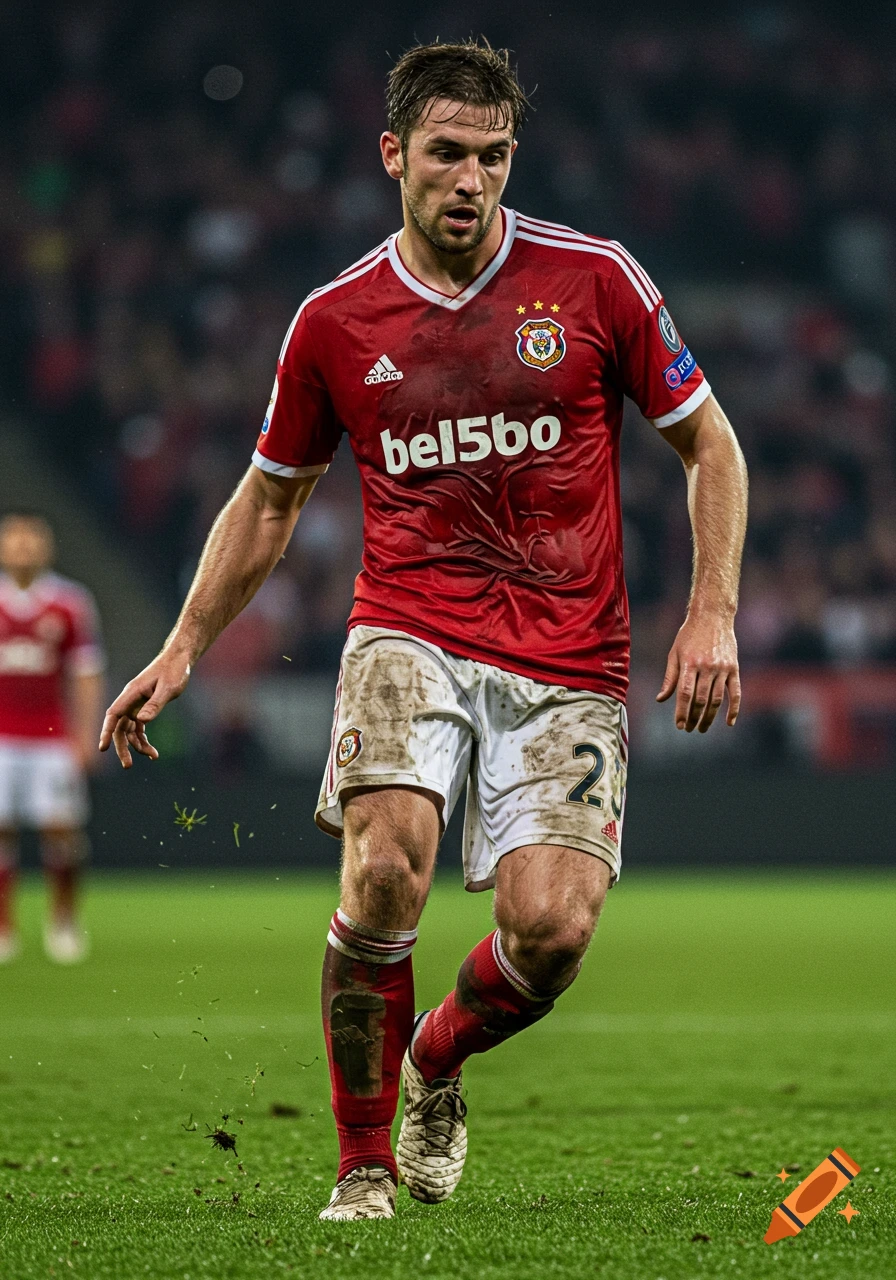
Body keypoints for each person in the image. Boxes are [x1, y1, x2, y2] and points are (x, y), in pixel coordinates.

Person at [100, 40, 748, 1220]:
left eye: (492, 157)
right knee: (384, 866)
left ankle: (433, 1058)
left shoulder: (594, 279)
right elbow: (270, 497)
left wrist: (710, 611)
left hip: (568, 652)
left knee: (550, 933)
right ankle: (360, 1163)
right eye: (447, 153)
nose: (470, 179)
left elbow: (710, 443)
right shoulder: (334, 319)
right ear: (393, 154)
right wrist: (183, 644)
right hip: (407, 627)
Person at [0, 511, 105, 962]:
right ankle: (4, 926)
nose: (23, 547)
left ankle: (63, 919)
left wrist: (86, 734)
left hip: (52, 737)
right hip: (2, 738)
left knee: (62, 831)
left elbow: (86, 673)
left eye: (32, 539)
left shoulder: (70, 603)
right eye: (15, 538)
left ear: (47, 548)